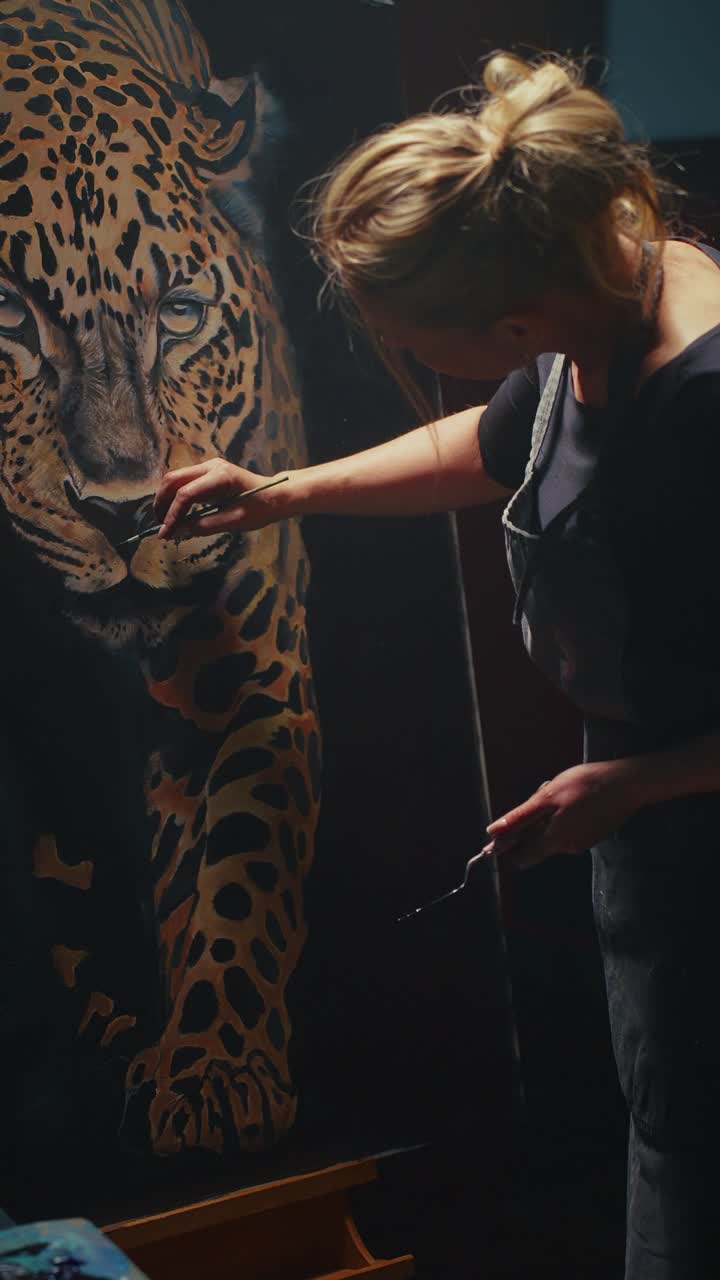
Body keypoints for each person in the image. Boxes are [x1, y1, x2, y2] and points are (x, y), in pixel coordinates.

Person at [154, 54, 720, 1279]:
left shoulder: (704, 405)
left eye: (411, 342)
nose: (398, 354)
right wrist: (283, 491)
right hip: (651, 802)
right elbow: (508, 436)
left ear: (513, 324)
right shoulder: (592, 280)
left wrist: (647, 780)